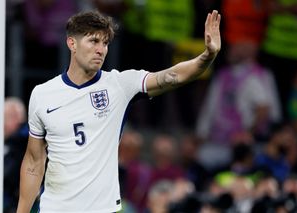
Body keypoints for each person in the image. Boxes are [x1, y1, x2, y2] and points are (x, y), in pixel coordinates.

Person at [16, 10, 221, 213]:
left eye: (105, 43)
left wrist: (207, 56)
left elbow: (172, 76)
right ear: (72, 43)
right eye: (94, 41)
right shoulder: (43, 94)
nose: (101, 50)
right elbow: (34, 161)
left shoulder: (119, 85)